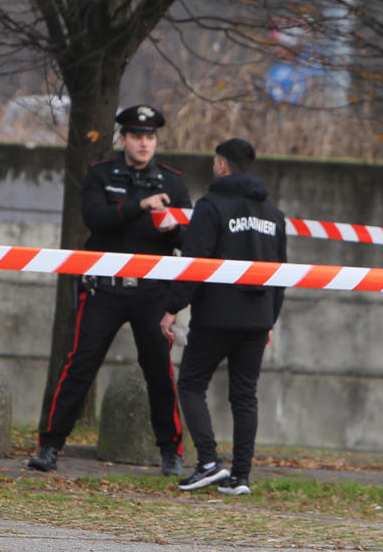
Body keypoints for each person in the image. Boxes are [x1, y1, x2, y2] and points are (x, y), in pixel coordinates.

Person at [28, 105, 191, 476]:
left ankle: (171, 452)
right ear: (123, 139)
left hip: (152, 293)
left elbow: (189, 237)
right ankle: (50, 447)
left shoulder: (173, 182)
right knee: (80, 366)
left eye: (150, 137)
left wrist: (172, 230)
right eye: (137, 136)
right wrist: (139, 206)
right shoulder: (101, 175)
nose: (144, 143)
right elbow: (95, 220)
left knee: (159, 372)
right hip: (105, 291)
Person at [159, 137, 286, 496]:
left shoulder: (211, 206)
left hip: (216, 316)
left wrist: (172, 308)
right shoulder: (273, 215)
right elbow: (282, 274)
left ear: (220, 165)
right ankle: (241, 477)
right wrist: (270, 320)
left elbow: (195, 262)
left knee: (191, 384)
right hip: (257, 319)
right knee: (245, 396)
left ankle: (209, 463)